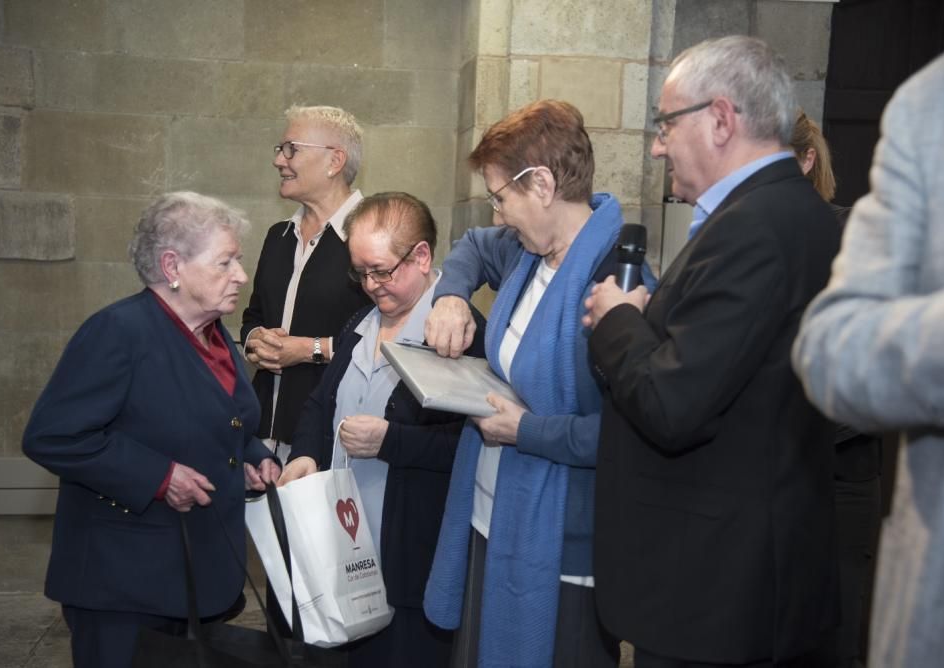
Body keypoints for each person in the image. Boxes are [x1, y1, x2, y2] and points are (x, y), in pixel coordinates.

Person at [583, 36, 840, 667]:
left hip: (718, 596)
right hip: (731, 584)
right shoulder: (784, 213)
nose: (657, 144)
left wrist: (617, 321)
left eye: (667, 123)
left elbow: (674, 403)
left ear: (721, 119)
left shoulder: (754, 227)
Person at [422, 99, 654, 668]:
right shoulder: (529, 253)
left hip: (561, 544)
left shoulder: (619, 287)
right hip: (490, 514)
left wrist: (528, 432)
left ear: (543, 185)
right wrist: (452, 294)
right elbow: (473, 247)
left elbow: (629, 436)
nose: (498, 215)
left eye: (501, 197)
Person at [21, 192, 282, 668]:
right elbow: (53, 435)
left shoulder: (215, 333)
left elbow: (226, 422)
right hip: (123, 586)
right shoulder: (118, 332)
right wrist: (160, 477)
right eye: (225, 262)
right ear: (172, 266)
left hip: (198, 576)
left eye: (238, 261)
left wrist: (254, 456)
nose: (241, 276)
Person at [792, 47, 944, 668]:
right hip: (813, 467)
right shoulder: (934, 104)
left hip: (846, 472)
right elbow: (836, 350)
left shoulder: (842, 223)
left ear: (807, 161)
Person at [278, 192, 486, 667]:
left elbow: (470, 449)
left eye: (381, 271)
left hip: (409, 564)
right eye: (360, 273)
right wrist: (307, 454)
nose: (370, 285)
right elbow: (320, 403)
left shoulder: (459, 334)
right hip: (345, 552)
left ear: (421, 256)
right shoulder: (360, 325)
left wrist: (391, 442)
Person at [790, 109, 883, 668]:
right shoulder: (737, 238)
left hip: (842, 468)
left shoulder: (856, 234)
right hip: (772, 472)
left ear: (806, 161)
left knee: (835, 634)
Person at [241, 104, 371, 464]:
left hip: (332, 442)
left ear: (334, 161)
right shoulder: (278, 236)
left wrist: (309, 349)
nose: (279, 160)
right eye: (280, 150)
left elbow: (388, 340)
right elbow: (253, 315)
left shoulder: (372, 237)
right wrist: (256, 341)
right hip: (263, 438)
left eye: (291, 149)